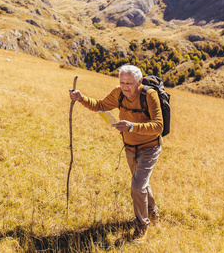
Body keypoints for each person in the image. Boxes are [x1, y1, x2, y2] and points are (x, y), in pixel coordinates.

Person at [69, 64, 163, 241]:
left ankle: (142, 226)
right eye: (122, 82)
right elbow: (102, 105)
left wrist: (132, 127)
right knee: (141, 183)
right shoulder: (118, 93)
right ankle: (153, 213)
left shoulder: (149, 95)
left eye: (129, 83)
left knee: (137, 186)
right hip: (129, 147)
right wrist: (81, 99)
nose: (125, 87)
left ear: (140, 81)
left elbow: (159, 126)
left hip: (149, 147)